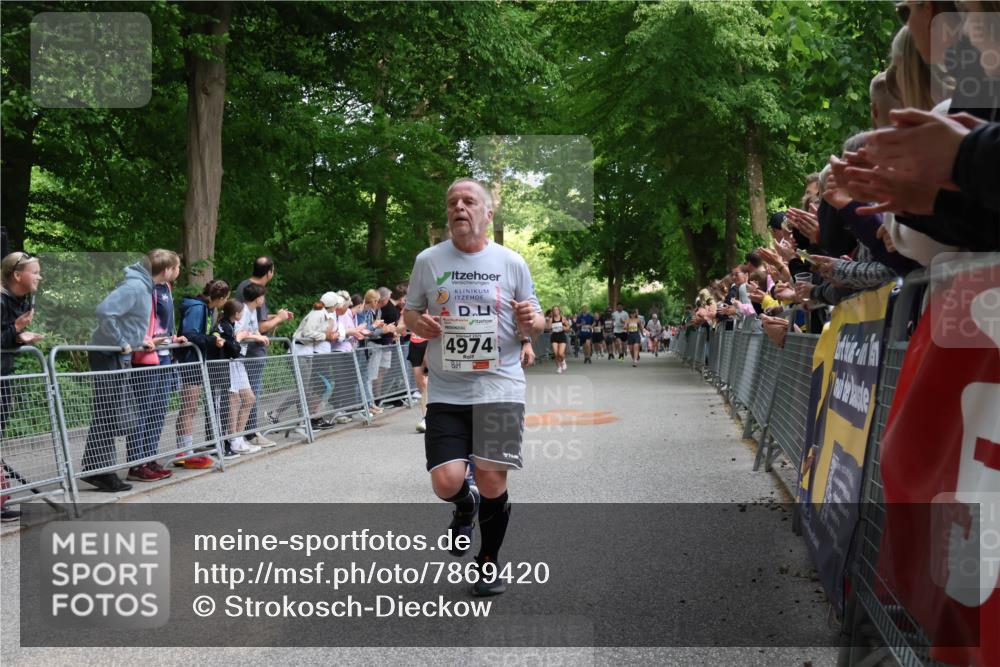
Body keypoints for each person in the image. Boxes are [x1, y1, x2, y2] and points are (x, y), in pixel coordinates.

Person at [403, 177, 543, 596]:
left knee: (491, 479)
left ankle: (487, 564)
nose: (459, 208)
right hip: (447, 389)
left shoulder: (512, 262)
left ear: (487, 213)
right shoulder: (428, 260)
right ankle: (464, 506)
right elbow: (409, 314)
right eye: (452, 203)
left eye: (468, 202)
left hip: (499, 387)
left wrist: (529, 323)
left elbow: (537, 320)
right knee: (447, 481)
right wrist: (418, 323)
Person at [80, 251, 174, 492]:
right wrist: (121, 340)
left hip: (117, 354)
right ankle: (99, 471)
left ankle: (99, 470)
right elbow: (104, 311)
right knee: (107, 410)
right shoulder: (135, 286)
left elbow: (129, 322)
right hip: (107, 353)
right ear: (166, 270)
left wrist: (137, 340)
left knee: (110, 411)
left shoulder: (144, 287)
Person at [126, 251, 186, 482]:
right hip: (147, 357)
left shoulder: (166, 288)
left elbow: (165, 323)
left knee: (158, 410)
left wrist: (173, 338)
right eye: (177, 266)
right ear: (168, 269)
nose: (179, 270)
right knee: (143, 410)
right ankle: (136, 462)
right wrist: (147, 339)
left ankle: (150, 457)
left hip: (165, 356)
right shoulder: (143, 288)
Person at [1, 252, 44, 522]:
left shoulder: (21, 300)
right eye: (35, 271)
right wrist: (17, 329)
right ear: (18, 275)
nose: (39, 276)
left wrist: (19, 337)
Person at [234, 257, 293, 448]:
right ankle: (249, 434)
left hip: (250, 350)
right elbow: (258, 325)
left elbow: (257, 318)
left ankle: (243, 435)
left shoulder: (245, 285)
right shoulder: (253, 290)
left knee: (247, 394)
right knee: (251, 394)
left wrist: (275, 316)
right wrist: (279, 319)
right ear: (270, 272)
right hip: (251, 352)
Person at [176, 279, 231, 463]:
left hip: (197, 361)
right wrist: (211, 341)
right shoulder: (198, 308)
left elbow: (203, 333)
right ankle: (183, 451)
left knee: (191, 407)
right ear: (221, 297)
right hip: (190, 361)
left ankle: (185, 448)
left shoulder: (208, 309)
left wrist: (212, 336)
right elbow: (190, 333)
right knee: (189, 406)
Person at [227, 287, 269, 454]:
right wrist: (257, 337)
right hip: (233, 359)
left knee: (249, 398)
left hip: (241, 358)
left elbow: (252, 330)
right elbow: (237, 333)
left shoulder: (252, 312)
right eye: (263, 296)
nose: (264, 299)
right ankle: (234, 440)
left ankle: (238, 438)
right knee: (235, 400)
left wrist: (259, 335)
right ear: (257, 298)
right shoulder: (242, 311)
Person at [547, 305, 570, 373]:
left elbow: (568, 326)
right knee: (556, 353)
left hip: (562, 336)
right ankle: (559, 367)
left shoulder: (562, 318)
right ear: (552, 311)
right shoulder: (551, 319)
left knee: (560, 353)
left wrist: (564, 327)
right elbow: (548, 328)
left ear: (559, 311)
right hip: (554, 336)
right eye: (554, 310)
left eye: (556, 309)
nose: (555, 311)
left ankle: (563, 361)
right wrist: (549, 325)